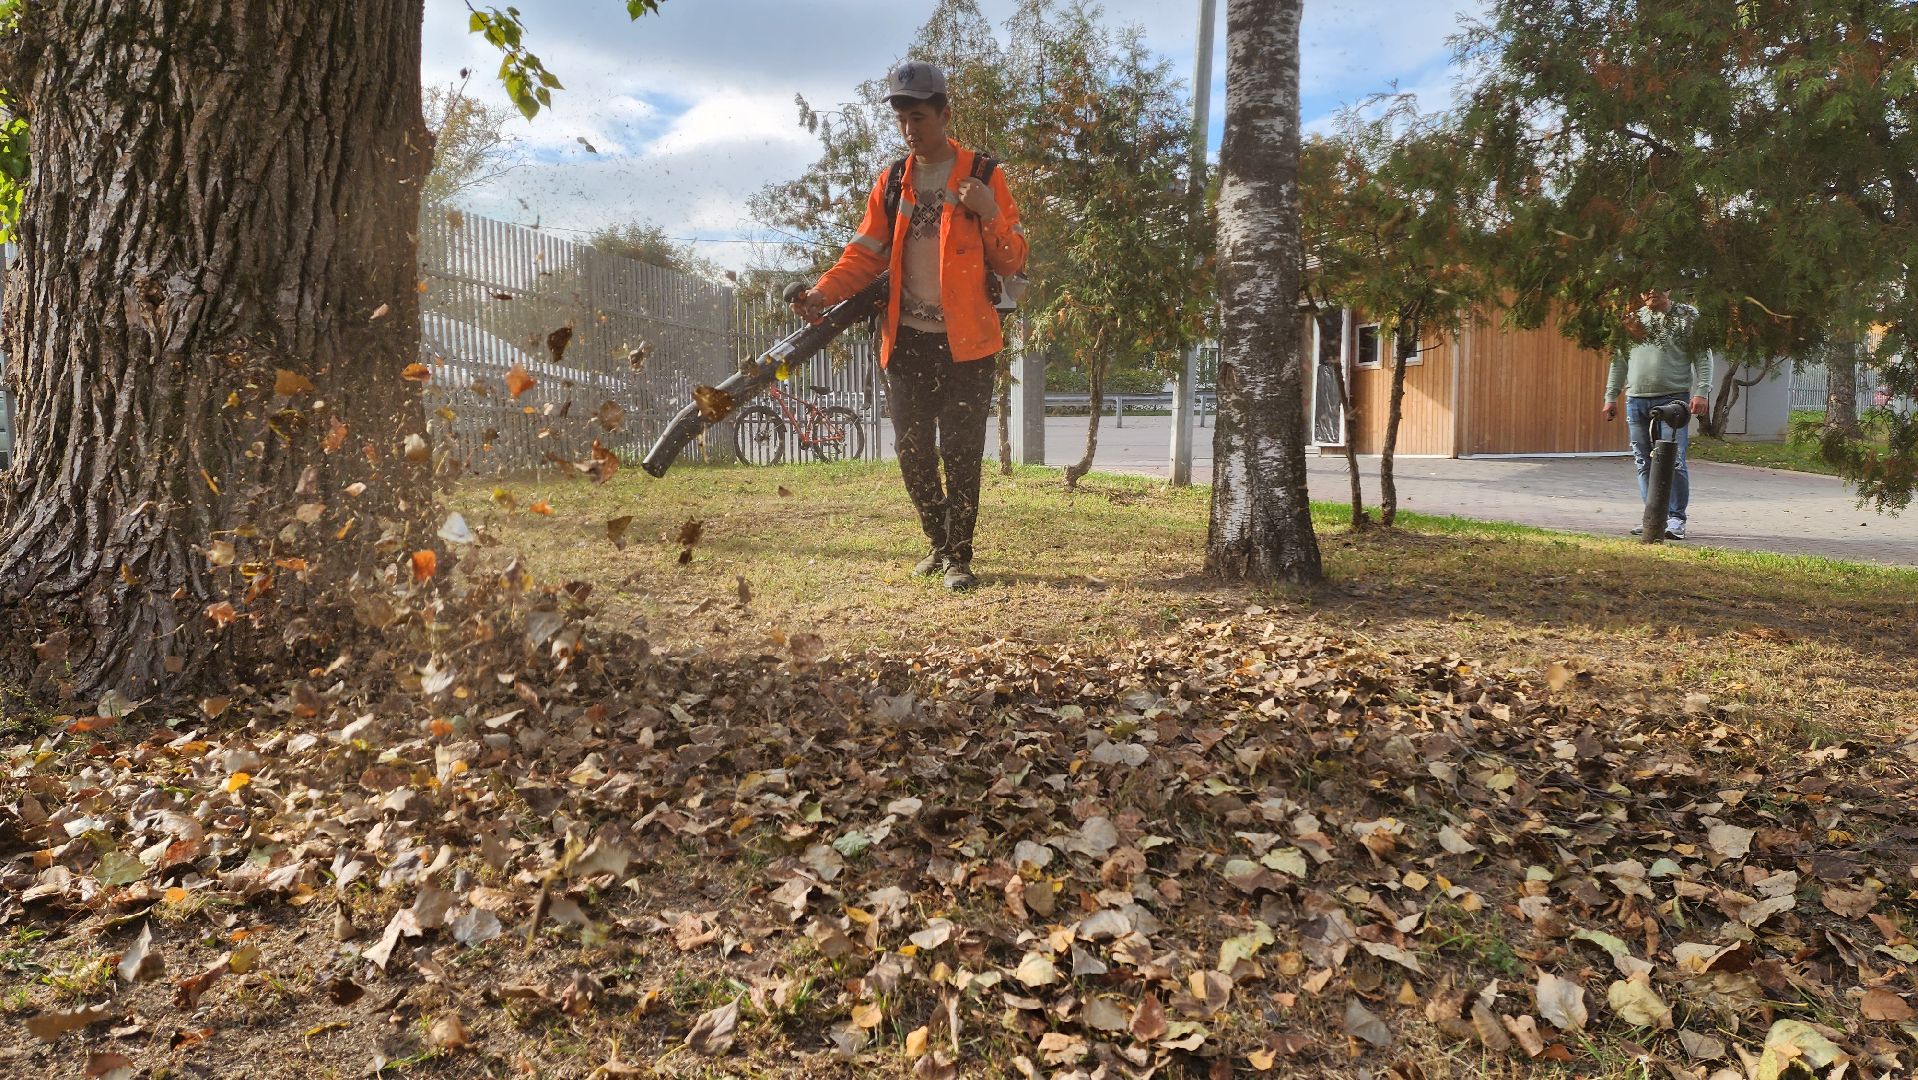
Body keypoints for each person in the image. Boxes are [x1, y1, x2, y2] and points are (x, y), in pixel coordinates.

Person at [789, 60, 1027, 590]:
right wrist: (821, 293)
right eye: (901, 118)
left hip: (968, 344)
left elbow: (1012, 260)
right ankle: (938, 544)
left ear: (943, 113)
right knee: (912, 451)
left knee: (961, 450)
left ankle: (960, 557)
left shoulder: (984, 175)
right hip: (907, 340)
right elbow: (864, 254)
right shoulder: (894, 179)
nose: (909, 128)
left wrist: (988, 212)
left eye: (918, 115)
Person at [1602, 287, 1712, 540]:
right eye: (1645, 290)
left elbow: (1703, 356)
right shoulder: (1632, 320)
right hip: (1636, 399)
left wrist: (1702, 391)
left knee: (1674, 459)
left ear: (1669, 289)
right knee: (1643, 460)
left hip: (1674, 400)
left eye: (1657, 289)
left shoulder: (1687, 316)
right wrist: (1611, 397)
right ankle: (1653, 516)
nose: (1651, 294)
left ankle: (1675, 519)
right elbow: (1619, 360)